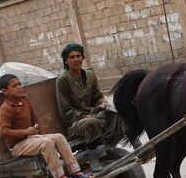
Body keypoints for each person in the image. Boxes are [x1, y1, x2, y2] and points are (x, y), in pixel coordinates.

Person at [0, 74, 93, 178]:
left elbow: (35, 118)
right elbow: (3, 131)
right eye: (14, 86)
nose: (19, 87)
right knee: (46, 143)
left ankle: (75, 172)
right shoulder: (5, 108)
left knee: (58, 137)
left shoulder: (24, 99)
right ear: (5, 91)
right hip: (17, 146)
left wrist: (42, 135)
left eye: (19, 84)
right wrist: (25, 132)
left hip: (31, 139)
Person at [56, 43, 140, 171]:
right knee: (91, 122)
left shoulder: (90, 75)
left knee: (118, 111)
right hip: (76, 121)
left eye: (78, 56)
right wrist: (84, 115)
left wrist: (102, 103)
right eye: (72, 57)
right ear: (66, 61)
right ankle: (93, 157)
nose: (76, 59)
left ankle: (135, 142)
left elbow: (98, 96)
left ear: (83, 58)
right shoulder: (62, 80)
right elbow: (65, 111)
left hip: (95, 113)